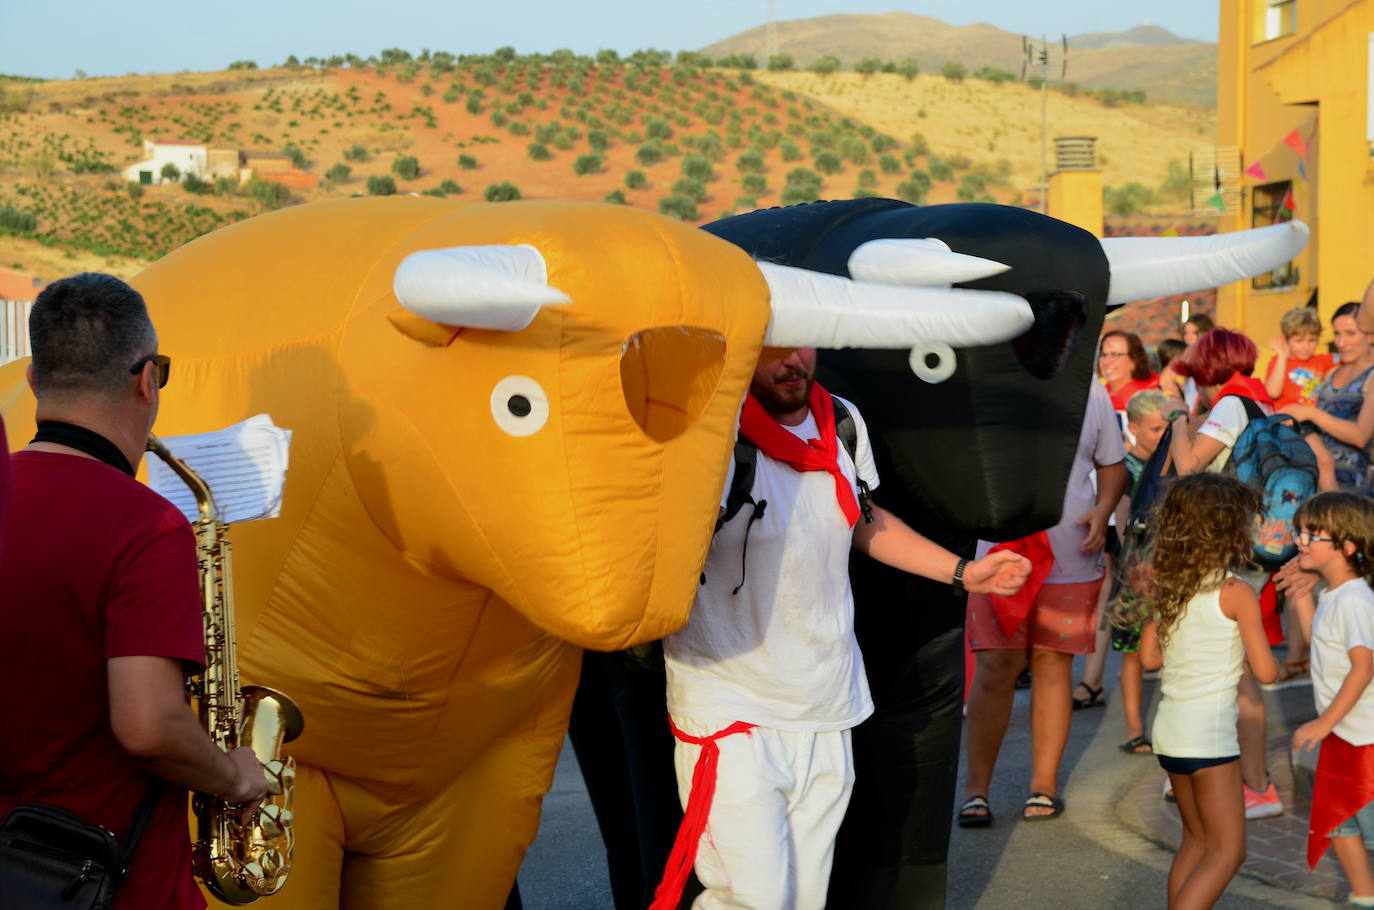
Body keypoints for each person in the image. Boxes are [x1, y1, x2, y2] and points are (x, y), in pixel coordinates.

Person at [654, 346, 1030, 910]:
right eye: (772, 347)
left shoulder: (842, 421)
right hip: (730, 710)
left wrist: (964, 572)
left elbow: (863, 516)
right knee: (749, 899)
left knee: (804, 900)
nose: (792, 360)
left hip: (827, 704)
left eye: (803, 343)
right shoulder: (707, 427)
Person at [0, 273, 267, 910]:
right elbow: (148, 727)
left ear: (35, 381)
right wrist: (233, 775)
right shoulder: (145, 525)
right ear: (146, 379)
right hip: (114, 882)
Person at [961, 380, 1127, 824]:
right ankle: (976, 790)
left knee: (1053, 665)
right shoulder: (983, 377)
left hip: (1071, 552)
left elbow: (1113, 465)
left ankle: (1044, 786)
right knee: (995, 667)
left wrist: (1104, 507)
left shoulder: (1089, 390)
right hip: (997, 553)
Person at [1139, 474, 1279, 910]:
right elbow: (1268, 672)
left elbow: (1149, 660)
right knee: (1228, 851)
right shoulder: (1237, 592)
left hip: (1170, 733)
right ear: (1230, 530)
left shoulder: (1169, 587)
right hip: (1210, 738)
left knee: (1196, 842)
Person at [1165, 327, 1287, 818]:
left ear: (1208, 366)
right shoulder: (1260, 402)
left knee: (1239, 676)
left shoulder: (1231, 404)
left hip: (1233, 550)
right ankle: (1240, 778)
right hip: (1255, 546)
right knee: (1232, 669)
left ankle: (1255, 785)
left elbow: (1189, 468)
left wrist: (1178, 424)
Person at [1287, 492, 1374, 906]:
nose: (1300, 540)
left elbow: (1364, 666)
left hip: (1365, 736)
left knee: (1363, 821)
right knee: (1338, 821)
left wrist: (1322, 723)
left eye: (1311, 534)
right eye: (1299, 532)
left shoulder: (1356, 600)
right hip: (1345, 732)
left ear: (1347, 548)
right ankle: (1364, 895)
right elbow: (1315, 642)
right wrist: (1301, 595)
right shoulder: (1333, 595)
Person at [1107, 389, 1172, 755]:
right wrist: (1133, 569)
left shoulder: (1171, 462)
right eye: (1155, 429)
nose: (1162, 435)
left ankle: (1168, 723)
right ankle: (1134, 726)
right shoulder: (1126, 469)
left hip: (1170, 569)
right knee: (1133, 653)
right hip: (1138, 573)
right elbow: (1121, 524)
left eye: (1166, 428)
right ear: (1132, 428)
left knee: (1169, 648)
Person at [1282, 301, 1374, 493]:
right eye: (1337, 333)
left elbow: (1360, 436)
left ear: (1370, 334)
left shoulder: (1371, 375)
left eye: (1350, 333)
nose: (1341, 343)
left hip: (1354, 493)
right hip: (1316, 488)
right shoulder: (1333, 373)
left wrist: (1310, 413)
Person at [1264, 307, 1333, 410]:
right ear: (1285, 339)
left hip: (1314, 419)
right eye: (1299, 341)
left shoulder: (1323, 360)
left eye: (1312, 340)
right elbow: (1273, 393)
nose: (1306, 346)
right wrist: (1282, 356)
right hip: (1288, 421)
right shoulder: (1279, 362)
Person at [1098, 330, 1160, 414]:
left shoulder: (1151, 398)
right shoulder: (1096, 394)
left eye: (1115, 355)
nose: (1106, 362)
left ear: (1134, 360)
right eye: (1103, 355)